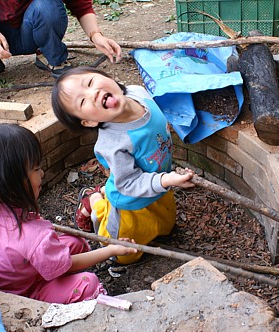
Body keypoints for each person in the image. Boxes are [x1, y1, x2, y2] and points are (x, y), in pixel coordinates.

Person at [0, 123, 136, 304]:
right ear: (11, 181)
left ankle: (56, 276)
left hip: (6, 279)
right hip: (24, 294)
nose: (43, 173)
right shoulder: (34, 237)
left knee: (74, 242)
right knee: (88, 283)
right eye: (36, 169)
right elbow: (66, 264)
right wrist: (110, 251)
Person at [51, 67, 196, 264]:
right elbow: (128, 184)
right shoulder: (113, 143)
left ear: (106, 75)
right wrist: (167, 179)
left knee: (165, 227)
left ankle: (100, 192)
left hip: (158, 186)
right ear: (89, 122)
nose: (92, 93)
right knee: (124, 254)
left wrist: (166, 179)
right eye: (83, 101)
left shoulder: (139, 93)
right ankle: (95, 202)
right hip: (130, 202)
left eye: (90, 83)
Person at [0, 0, 122, 90]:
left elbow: (80, 5)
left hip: (32, 27)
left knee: (47, 5)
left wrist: (95, 35)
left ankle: (51, 56)